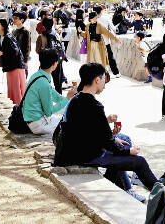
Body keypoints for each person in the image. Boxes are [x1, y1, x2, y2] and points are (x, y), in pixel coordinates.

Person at [54, 62, 157, 202]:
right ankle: (164, 197)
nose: (104, 83)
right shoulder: (94, 106)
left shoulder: (75, 99)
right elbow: (108, 142)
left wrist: (114, 138)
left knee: (123, 139)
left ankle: (125, 188)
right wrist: (128, 151)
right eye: (103, 79)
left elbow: (91, 130)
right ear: (97, 79)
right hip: (85, 155)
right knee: (139, 161)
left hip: (74, 149)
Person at [22, 48, 76, 134]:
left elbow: (56, 97)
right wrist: (68, 98)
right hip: (38, 125)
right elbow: (49, 112)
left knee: (68, 111)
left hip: (36, 120)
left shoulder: (37, 76)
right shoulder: (44, 84)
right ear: (54, 64)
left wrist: (71, 99)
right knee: (72, 121)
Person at [0, 18, 26, 104]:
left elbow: (15, 51)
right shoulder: (1, 38)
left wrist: (2, 53)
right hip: (10, 67)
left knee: (17, 91)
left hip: (16, 67)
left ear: (3, 26)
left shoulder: (9, 37)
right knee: (12, 90)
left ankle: (20, 112)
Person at [36, 17, 65, 94]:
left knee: (44, 82)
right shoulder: (56, 34)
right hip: (57, 61)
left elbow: (37, 50)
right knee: (58, 83)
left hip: (45, 62)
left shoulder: (41, 36)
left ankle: (46, 100)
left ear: (43, 25)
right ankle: (60, 101)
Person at [95, 5, 121, 77]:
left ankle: (97, 74)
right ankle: (116, 73)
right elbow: (113, 29)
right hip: (105, 42)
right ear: (101, 11)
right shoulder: (106, 18)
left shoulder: (90, 19)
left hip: (94, 42)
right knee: (110, 57)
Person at [12, 11, 31, 78]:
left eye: (16, 18)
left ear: (22, 20)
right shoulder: (13, 31)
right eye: (13, 18)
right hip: (14, 60)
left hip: (22, 60)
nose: (14, 20)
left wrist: (26, 61)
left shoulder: (25, 32)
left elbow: (28, 47)